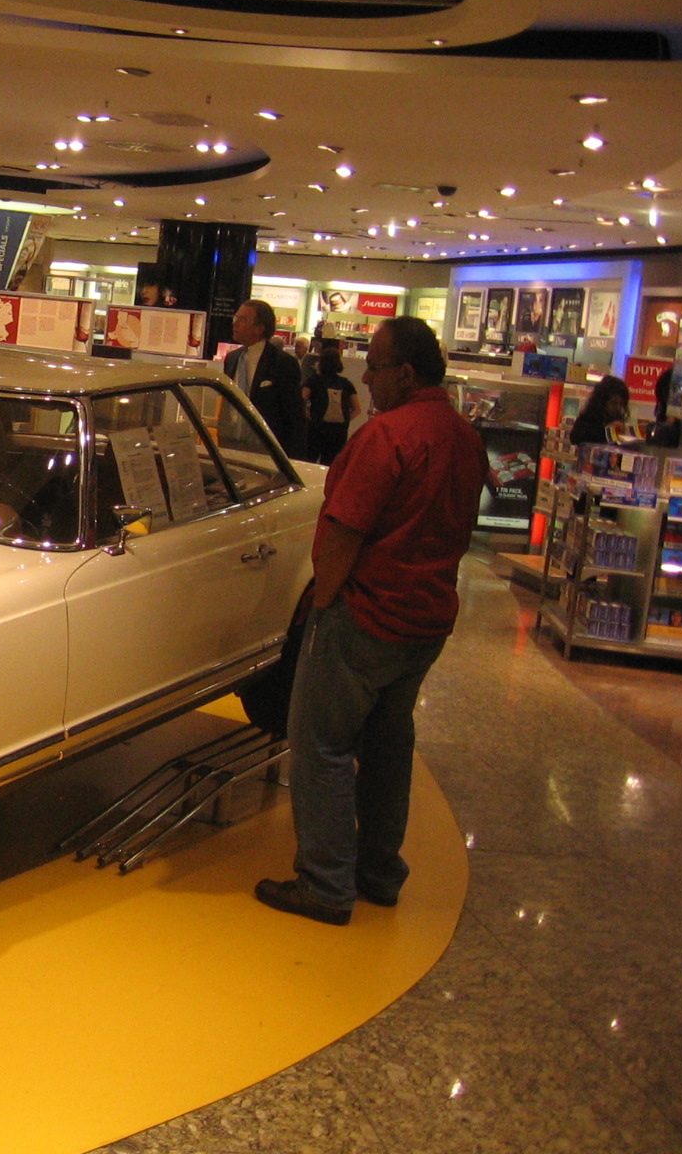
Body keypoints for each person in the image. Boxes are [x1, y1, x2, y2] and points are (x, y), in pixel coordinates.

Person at [256, 315, 488, 926]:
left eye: (376, 369)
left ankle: (326, 883)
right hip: (427, 620)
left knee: (322, 744)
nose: (367, 380)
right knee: (389, 744)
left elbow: (343, 530)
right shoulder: (464, 437)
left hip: (365, 615)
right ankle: (379, 872)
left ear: (405, 373)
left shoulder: (386, 437)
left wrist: (323, 603)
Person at [224, 299, 306, 459]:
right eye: (236, 318)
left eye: (243, 320)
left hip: (267, 449)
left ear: (260, 328)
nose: (235, 324)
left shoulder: (282, 363)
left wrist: (294, 459)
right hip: (231, 444)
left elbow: (294, 416)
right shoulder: (232, 359)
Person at [302, 345, 361, 465]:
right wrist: (345, 419)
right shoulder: (346, 383)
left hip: (316, 429)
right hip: (338, 433)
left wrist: (308, 415)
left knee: (309, 462)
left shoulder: (313, 380)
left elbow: (301, 400)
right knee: (331, 465)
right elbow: (357, 409)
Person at [568, 375, 630, 446]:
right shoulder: (588, 418)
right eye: (614, 403)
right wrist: (607, 431)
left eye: (621, 404)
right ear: (602, 402)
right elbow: (575, 438)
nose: (618, 407)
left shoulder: (617, 418)